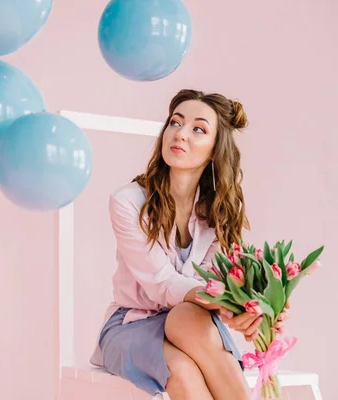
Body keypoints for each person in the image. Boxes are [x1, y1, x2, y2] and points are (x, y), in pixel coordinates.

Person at [89, 89, 288, 400]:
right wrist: (228, 303)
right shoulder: (128, 202)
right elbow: (162, 285)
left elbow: (208, 287)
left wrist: (254, 306)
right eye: (175, 122)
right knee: (182, 373)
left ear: (213, 151)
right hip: (132, 324)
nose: (180, 134)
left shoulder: (218, 214)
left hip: (193, 325)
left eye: (198, 129)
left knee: (186, 315)